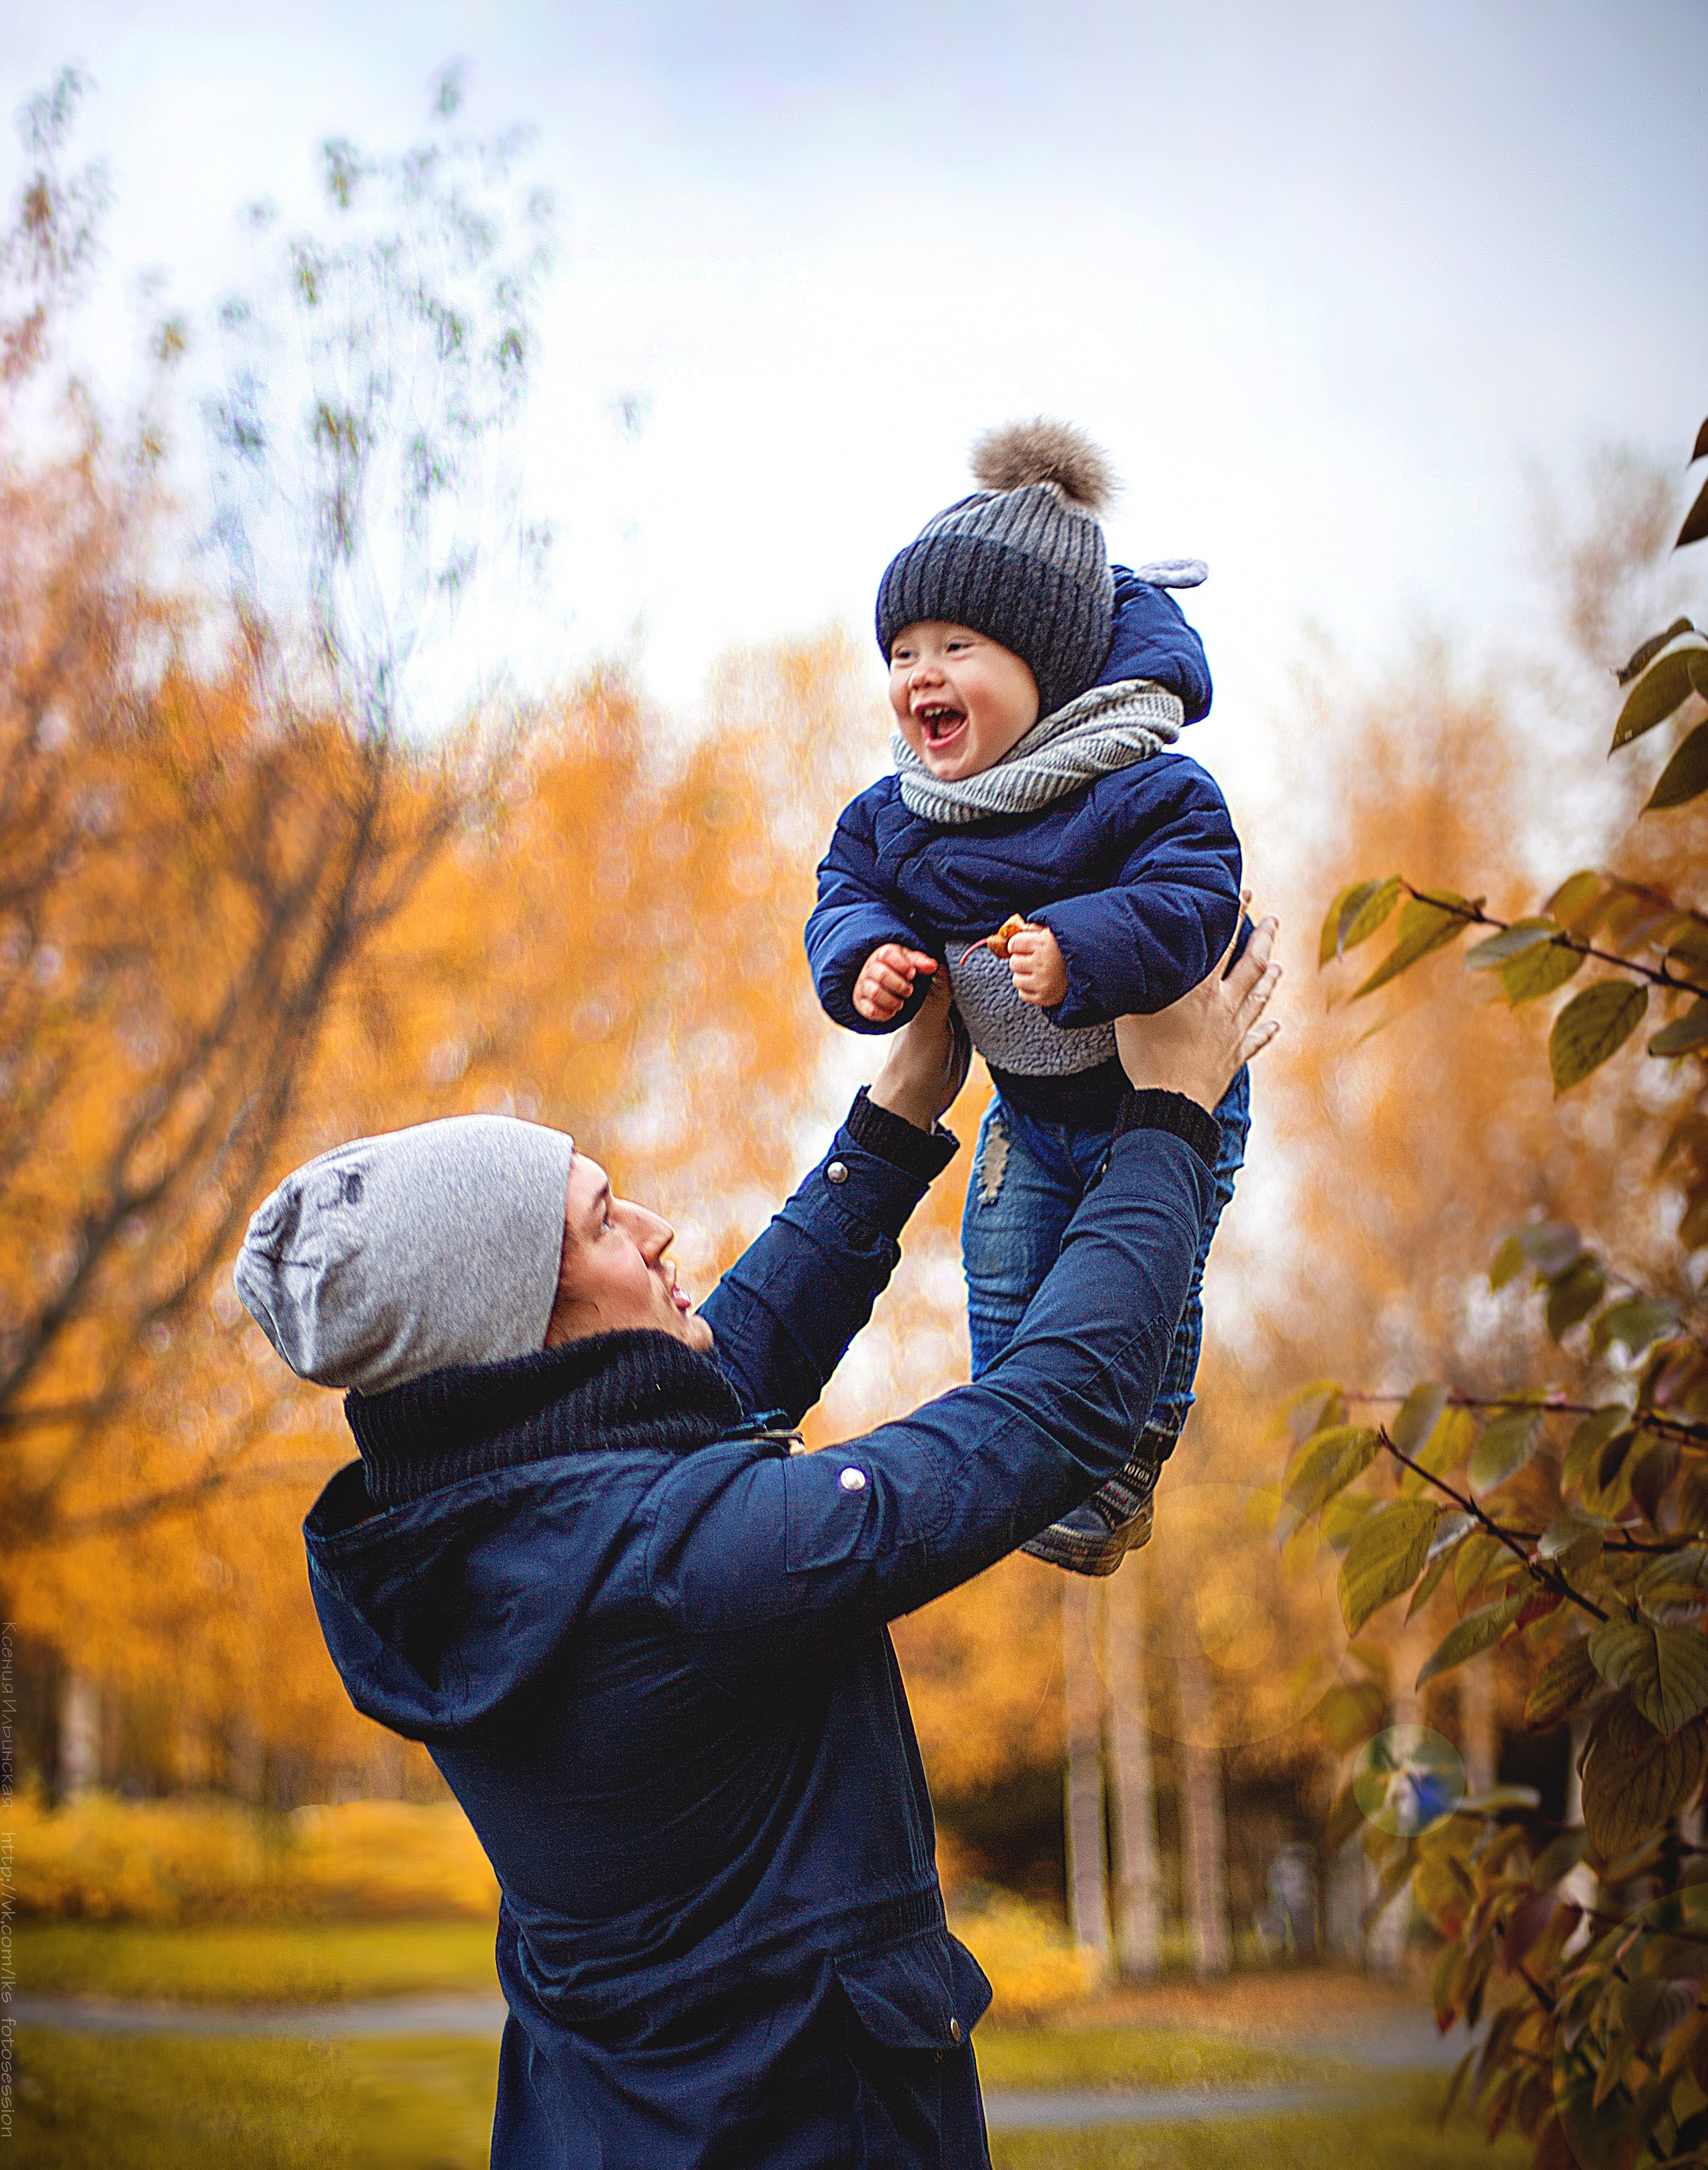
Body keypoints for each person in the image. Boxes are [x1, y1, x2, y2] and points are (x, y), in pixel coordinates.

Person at [236, 919, 1279, 2169]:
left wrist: (897, 1116)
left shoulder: (472, 1533)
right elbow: (1048, 1418)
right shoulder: (689, 1570)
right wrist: (1172, 1114)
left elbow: (714, 1383)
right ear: (525, 1326)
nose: (663, 1228)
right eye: (608, 1223)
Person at [806, 418, 1247, 1576]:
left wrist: (1081, 947)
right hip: (1026, 1105)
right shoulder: (901, 815)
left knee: (1150, 1269)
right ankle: (1030, 1455)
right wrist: (869, 962)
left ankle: (1126, 1455)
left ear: (1045, 665)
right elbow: (846, 886)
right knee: (1002, 1259)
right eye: (902, 650)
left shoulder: (1134, 781)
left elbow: (1198, 888)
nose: (921, 675)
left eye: (958, 645)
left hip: (1159, 1088)